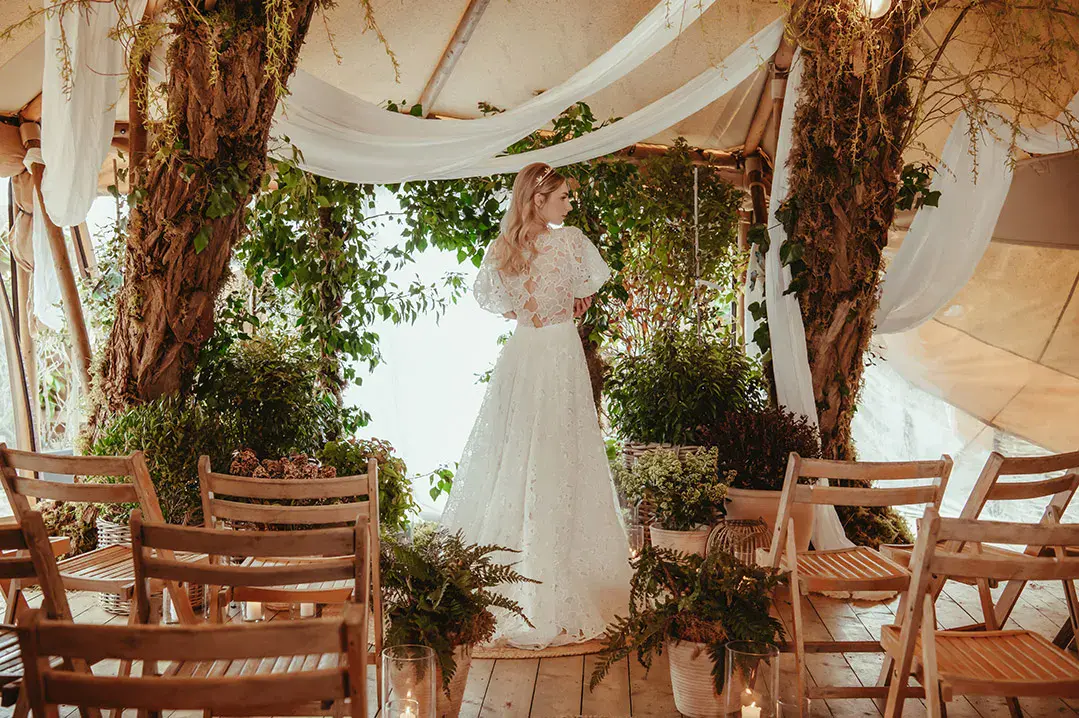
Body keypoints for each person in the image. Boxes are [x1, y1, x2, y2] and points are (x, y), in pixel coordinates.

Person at [440, 162, 632, 650]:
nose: (569, 204)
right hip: (557, 349)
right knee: (557, 453)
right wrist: (572, 299)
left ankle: (517, 577)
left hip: (525, 351)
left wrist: (526, 310)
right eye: (563, 196)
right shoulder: (568, 242)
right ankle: (550, 578)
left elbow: (489, 296)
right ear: (537, 200)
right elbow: (593, 279)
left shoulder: (503, 248)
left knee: (519, 452)